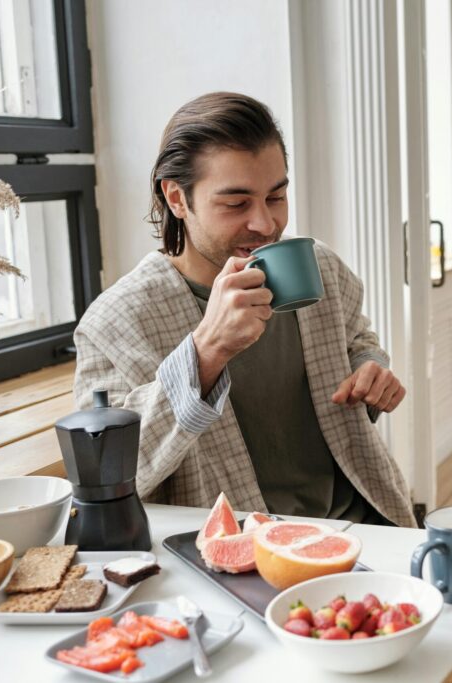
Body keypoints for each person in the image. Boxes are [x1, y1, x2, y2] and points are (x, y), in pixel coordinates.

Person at [73, 92, 415, 527]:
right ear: (177, 198)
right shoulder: (115, 321)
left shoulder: (320, 267)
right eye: (236, 203)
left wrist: (371, 370)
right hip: (232, 555)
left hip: (366, 524)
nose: (266, 224)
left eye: (276, 197)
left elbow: (356, 340)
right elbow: (103, 475)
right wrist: (206, 352)